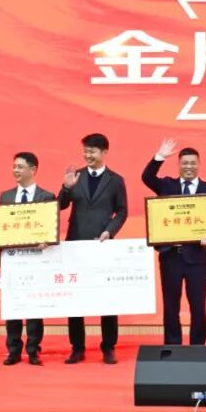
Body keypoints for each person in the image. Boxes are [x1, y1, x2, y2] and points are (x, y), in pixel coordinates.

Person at [60, 133, 128, 365]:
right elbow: (60, 205)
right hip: (75, 243)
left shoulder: (115, 180)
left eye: (92, 151)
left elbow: (122, 210)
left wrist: (110, 230)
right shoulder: (75, 176)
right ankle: (77, 347)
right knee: (75, 297)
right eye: (85, 151)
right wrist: (66, 187)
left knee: (107, 298)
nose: (87, 155)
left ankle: (108, 346)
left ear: (104, 152)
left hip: (102, 244)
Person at [142, 138, 206, 346]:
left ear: (199, 164)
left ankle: (198, 347)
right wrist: (159, 157)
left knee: (198, 306)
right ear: (179, 164)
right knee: (171, 306)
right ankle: (173, 346)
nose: (189, 167)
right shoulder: (167, 185)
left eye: (193, 163)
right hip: (170, 257)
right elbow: (146, 177)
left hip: (197, 258)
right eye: (185, 163)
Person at [0, 152, 55, 366]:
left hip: (35, 260)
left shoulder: (46, 196)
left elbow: (50, 227)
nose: (16, 170)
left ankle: (33, 350)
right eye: (14, 166)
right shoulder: (5, 197)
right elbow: (0, 228)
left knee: (34, 306)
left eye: (20, 167)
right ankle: (13, 350)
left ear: (33, 170)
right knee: (13, 306)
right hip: (12, 260)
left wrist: (46, 240)